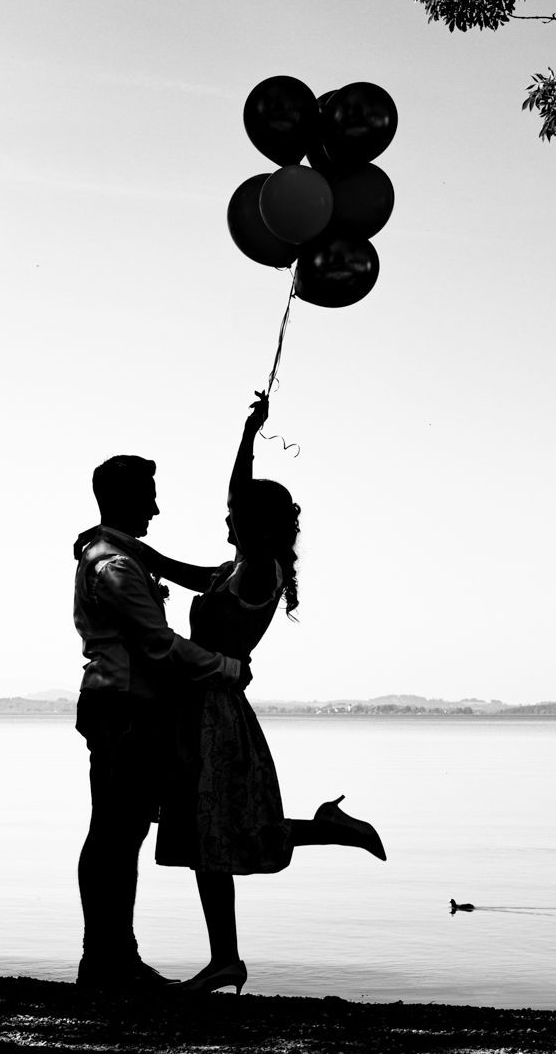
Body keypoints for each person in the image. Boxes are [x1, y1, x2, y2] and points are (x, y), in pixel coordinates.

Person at [143, 392, 388, 996]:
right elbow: (179, 562)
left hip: (213, 714)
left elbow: (233, 505)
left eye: (236, 519)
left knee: (220, 834)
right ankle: (228, 955)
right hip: (201, 708)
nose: (225, 521)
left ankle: (228, 956)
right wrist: (248, 433)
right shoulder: (235, 569)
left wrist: (248, 445)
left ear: (257, 525)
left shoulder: (257, 569)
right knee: (220, 833)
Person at [71, 455, 250, 992]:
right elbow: (158, 646)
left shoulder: (120, 556)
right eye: (148, 494)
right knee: (115, 834)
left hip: (122, 708)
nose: (155, 505)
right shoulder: (117, 567)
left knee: (116, 833)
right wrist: (226, 668)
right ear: (123, 498)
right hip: (123, 710)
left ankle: (108, 957)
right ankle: (107, 960)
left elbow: (196, 580)